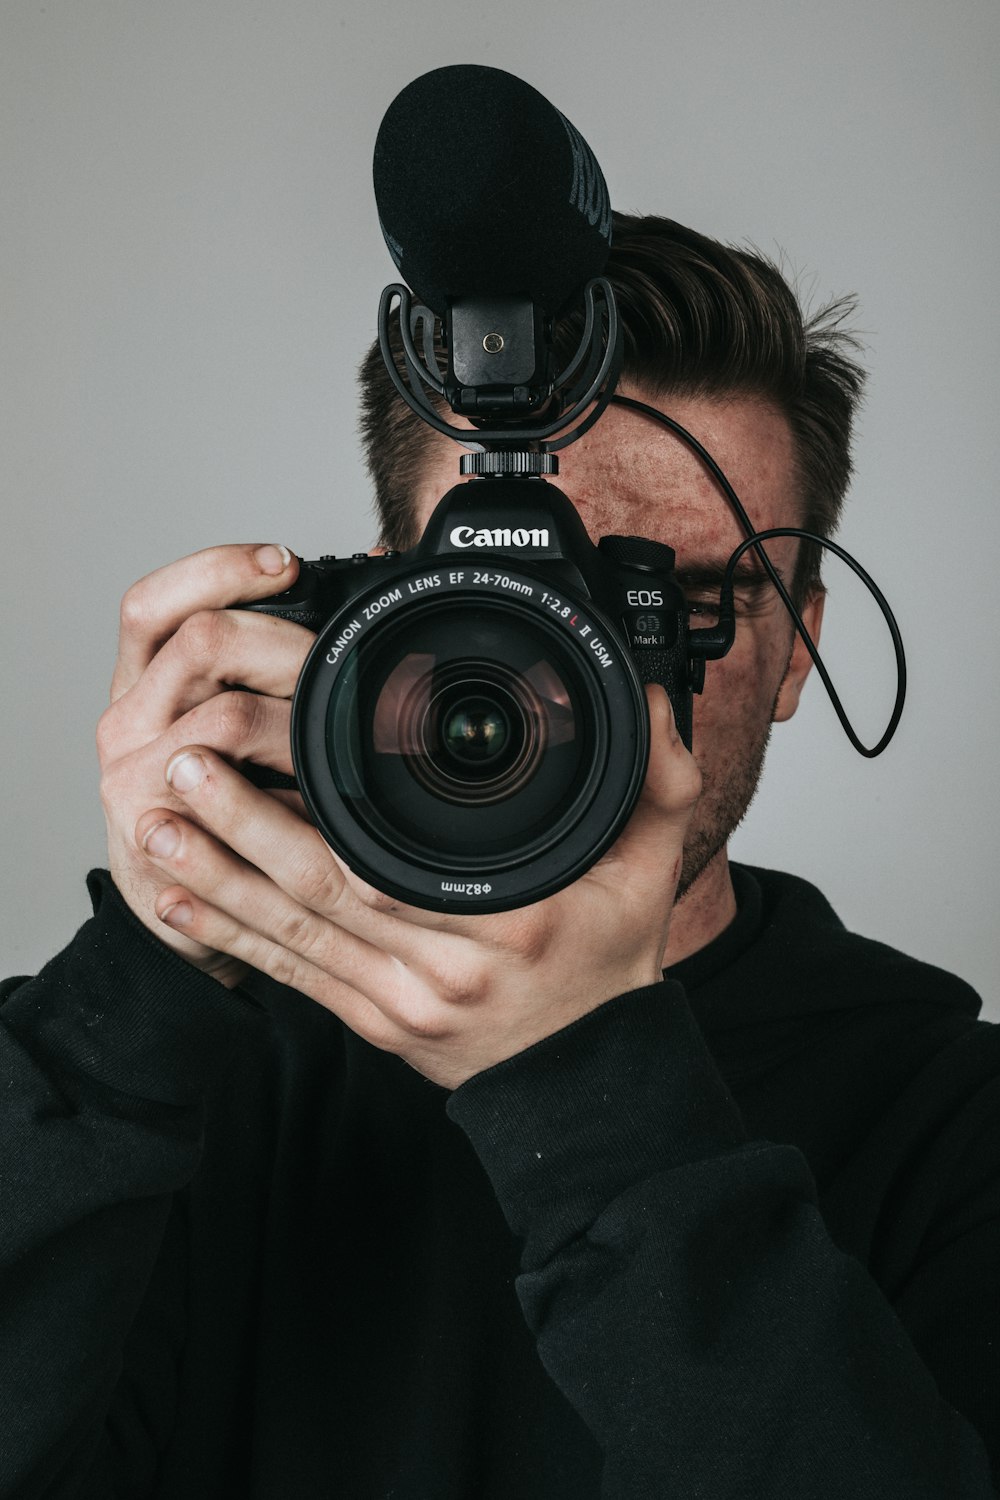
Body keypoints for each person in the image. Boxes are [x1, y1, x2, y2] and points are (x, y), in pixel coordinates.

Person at [2, 214, 997, 1499]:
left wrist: (585, 1084)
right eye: (515, 611)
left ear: (798, 644)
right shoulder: (185, 1074)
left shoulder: (950, 1118)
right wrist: (133, 987)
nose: (590, 692)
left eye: (681, 607)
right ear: (369, 609)